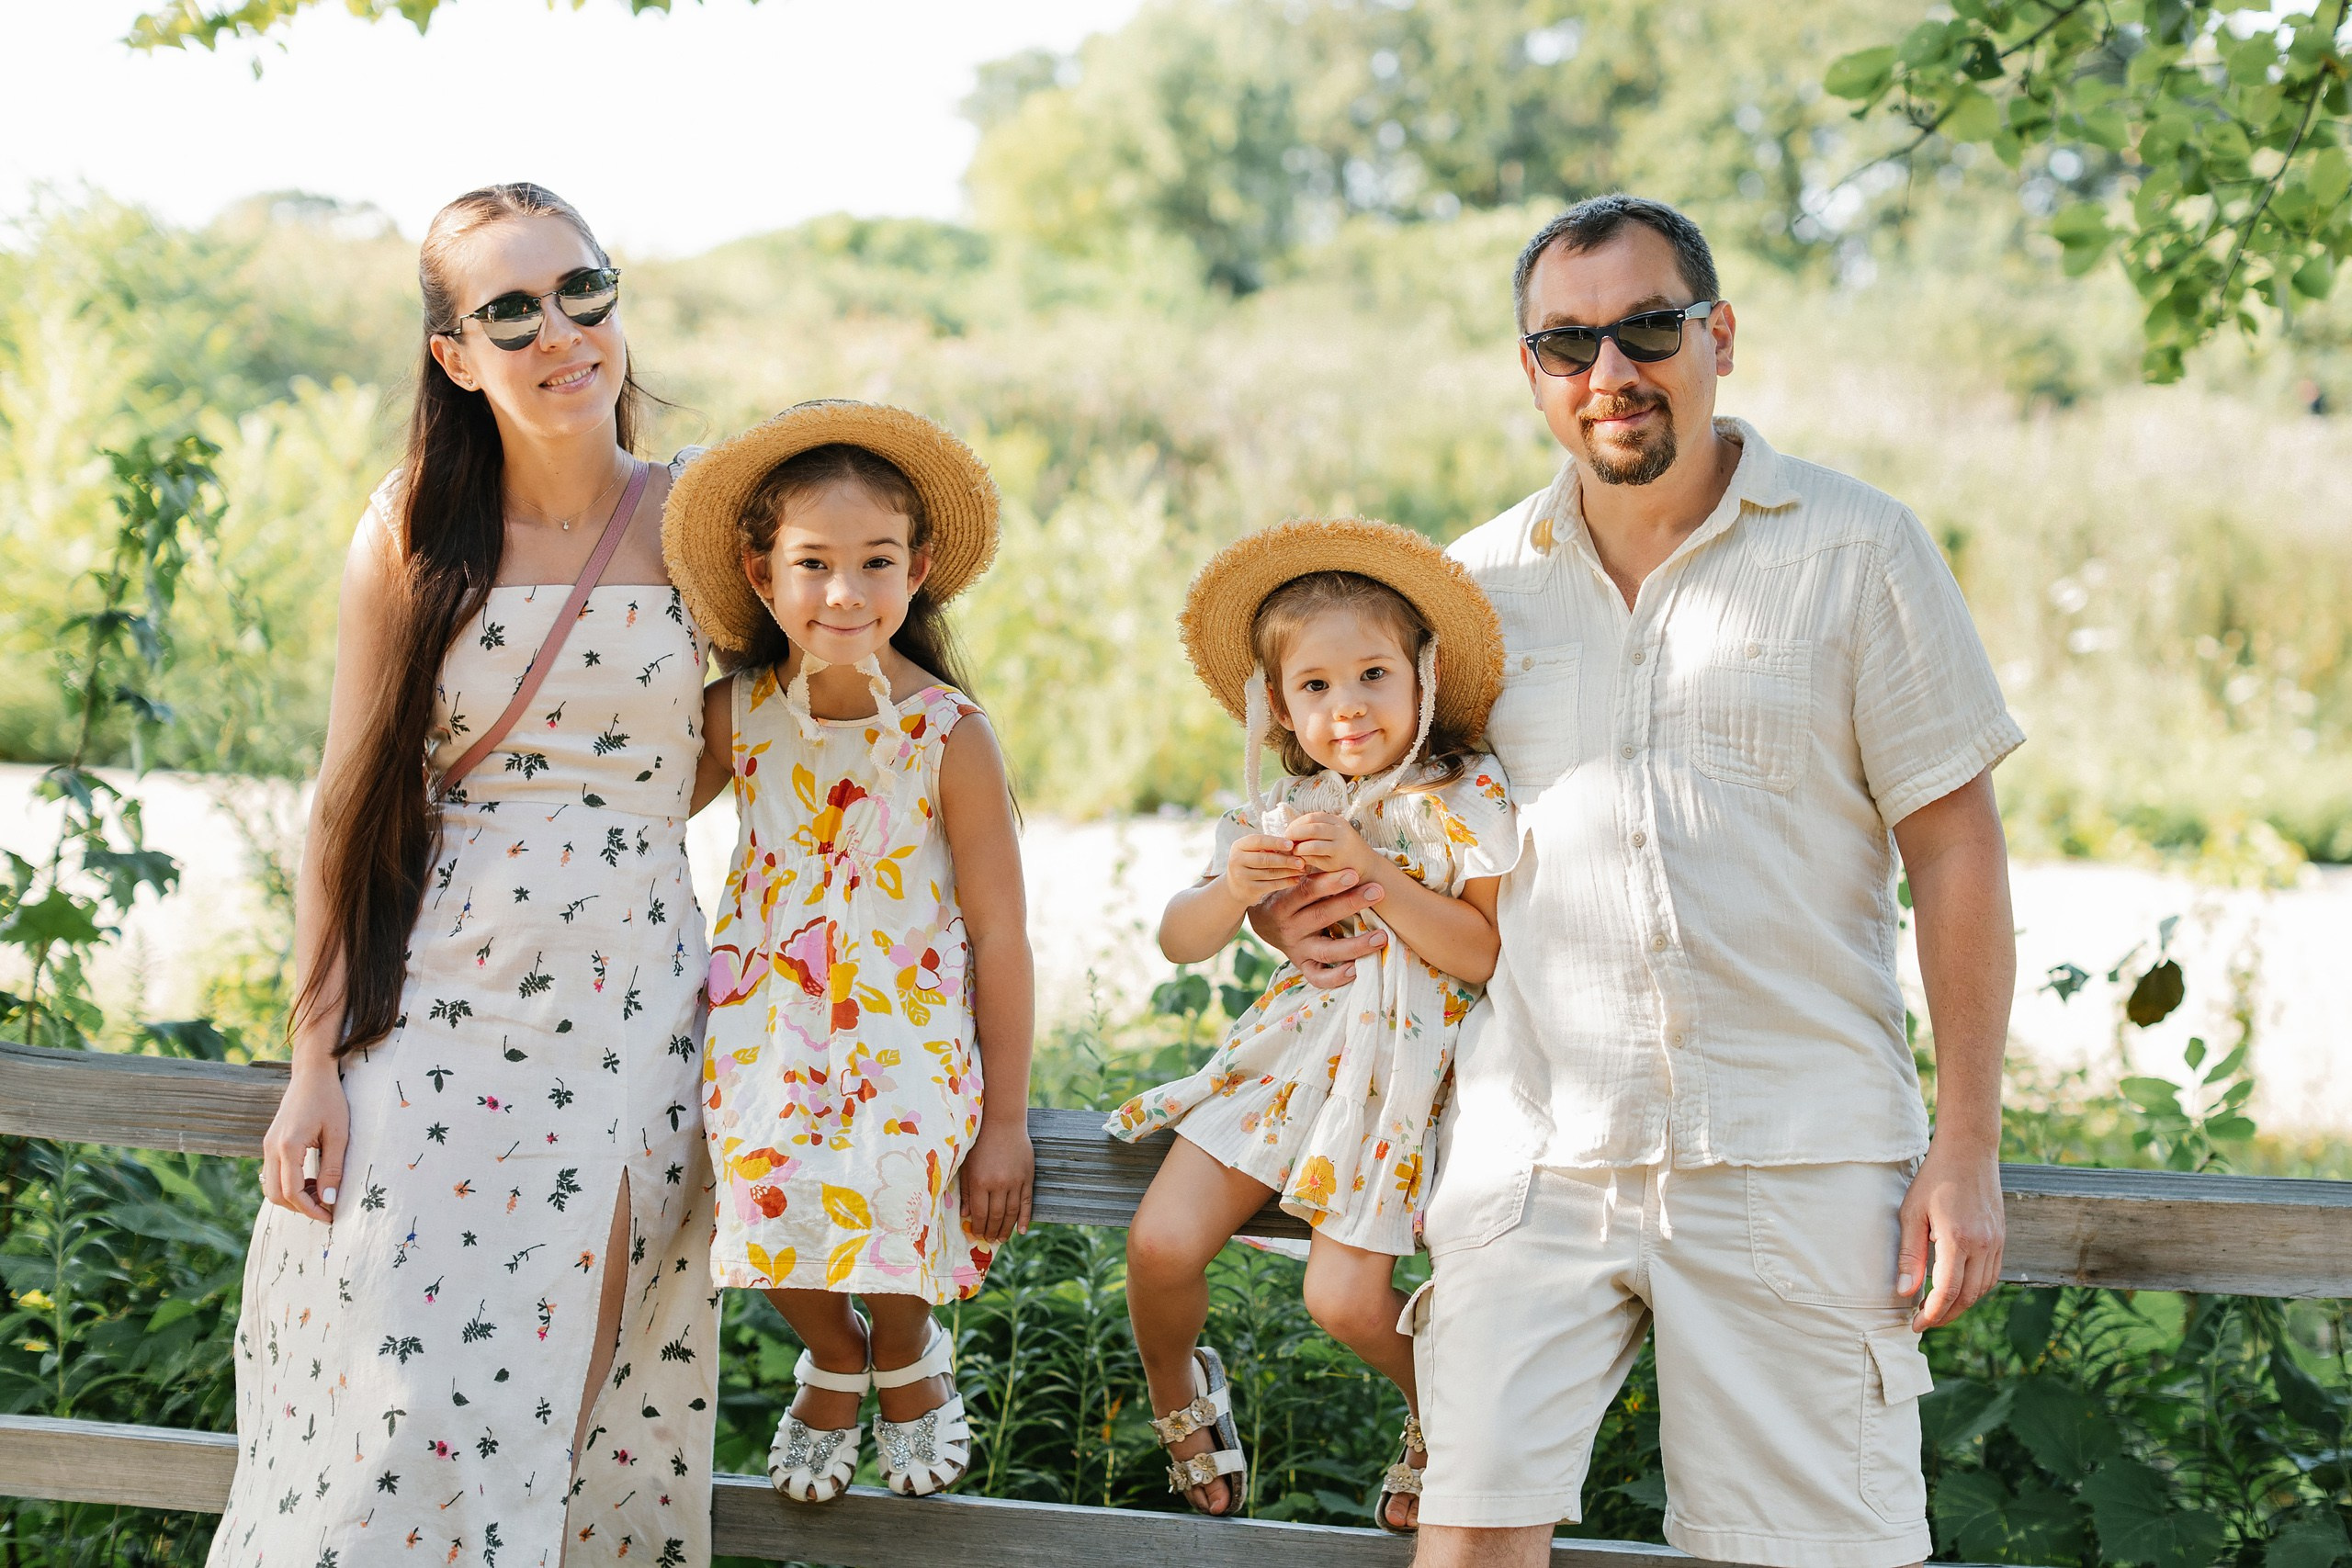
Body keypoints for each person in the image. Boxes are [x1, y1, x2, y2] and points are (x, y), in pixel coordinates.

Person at [1255, 195, 2022, 1568]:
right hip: (1533, 1147)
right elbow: (1382, 814)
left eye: (1648, 328)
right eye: (1568, 343)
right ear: (1534, 371)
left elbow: (1957, 847)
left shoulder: (1860, 548)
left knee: (1807, 1554)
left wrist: (1965, 1145)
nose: (1611, 371)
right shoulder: (1469, 593)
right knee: (1470, 1542)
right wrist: (1292, 901)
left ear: (1718, 335)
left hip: (1796, 1146)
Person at [212, 184, 721, 1566]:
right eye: (511, 309)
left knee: (566, 1401)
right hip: (436, 1002)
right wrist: (312, 1058)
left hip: (631, 999)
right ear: (454, 353)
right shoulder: (411, 528)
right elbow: (346, 803)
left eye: (584, 290)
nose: (561, 331)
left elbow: (768, 748)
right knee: (401, 1406)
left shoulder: (709, 521)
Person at [1108, 518, 1517, 1533]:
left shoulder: (1463, 796)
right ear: (1279, 710)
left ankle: (1439, 1411)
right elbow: (1176, 939)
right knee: (1160, 1245)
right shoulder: (1284, 806)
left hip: (1403, 1073)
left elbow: (1480, 952)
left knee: (1339, 1301)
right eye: (1316, 688)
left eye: (1375, 674)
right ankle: (1175, 1382)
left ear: (1424, 678)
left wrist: (1376, 872)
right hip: (1291, 1061)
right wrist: (1236, 892)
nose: (1349, 709)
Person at [662, 400, 1036, 1504]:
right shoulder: (736, 714)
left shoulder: (947, 734)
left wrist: (1006, 1117)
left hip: (906, 1025)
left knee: (900, 1162)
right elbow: (632, 832)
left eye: (875, 563)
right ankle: (835, 1349)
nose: (843, 593)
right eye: (812, 563)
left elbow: (1002, 931)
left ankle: (909, 1349)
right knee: (760, 1175)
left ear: (917, 571)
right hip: (769, 1017)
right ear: (760, 570)